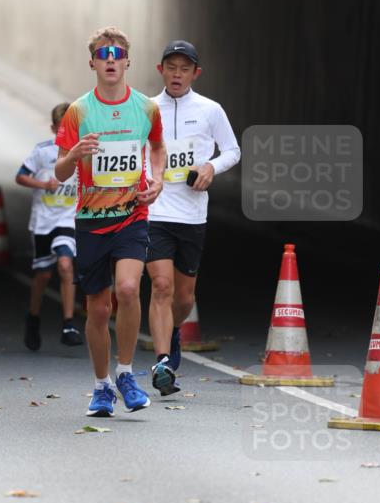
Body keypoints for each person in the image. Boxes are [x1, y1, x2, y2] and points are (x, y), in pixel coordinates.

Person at [55, 26, 165, 418]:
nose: (111, 59)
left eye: (117, 53)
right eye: (103, 54)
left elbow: (157, 147)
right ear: (92, 63)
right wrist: (75, 154)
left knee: (130, 288)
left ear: (128, 61)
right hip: (90, 220)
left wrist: (157, 179)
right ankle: (101, 386)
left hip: (132, 215)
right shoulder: (79, 111)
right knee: (99, 310)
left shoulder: (146, 108)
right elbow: (60, 172)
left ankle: (126, 374)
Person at [147, 40, 240, 395]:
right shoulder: (146, 108)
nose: (177, 74)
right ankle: (162, 363)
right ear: (160, 70)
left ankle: (171, 329)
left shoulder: (210, 110)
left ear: (195, 73)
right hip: (154, 211)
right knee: (161, 286)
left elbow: (232, 150)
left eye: (184, 68)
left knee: (183, 298)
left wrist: (210, 167)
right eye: (171, 67)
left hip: (191, 215)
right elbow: (137, 151)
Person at [16, 103, 83, 351]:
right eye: (62, 128)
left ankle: (68, 323)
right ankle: (33, 318)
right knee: (43, 274)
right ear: (54, 128)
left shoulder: (82, 150)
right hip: (43, 221)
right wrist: (43, 185)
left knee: (66, 264)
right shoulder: (43, 151)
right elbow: (20, 176)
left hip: (67, 220)